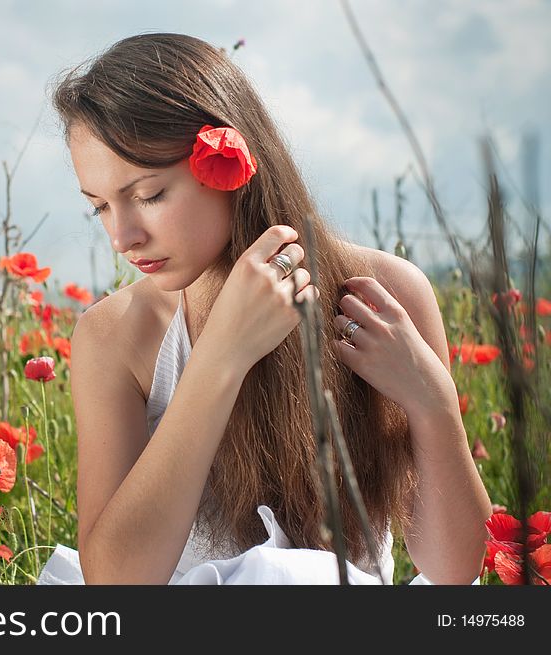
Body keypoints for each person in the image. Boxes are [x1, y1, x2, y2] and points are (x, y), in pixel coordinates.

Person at [38, 33, 491, 585]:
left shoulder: (385, 293)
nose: (122, 237)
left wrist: (431, 401)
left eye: (150, 195)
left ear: (230, 161)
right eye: (100, 208)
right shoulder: (115, 334)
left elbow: (454, 571)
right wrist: (222, 354)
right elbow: (115, 584)